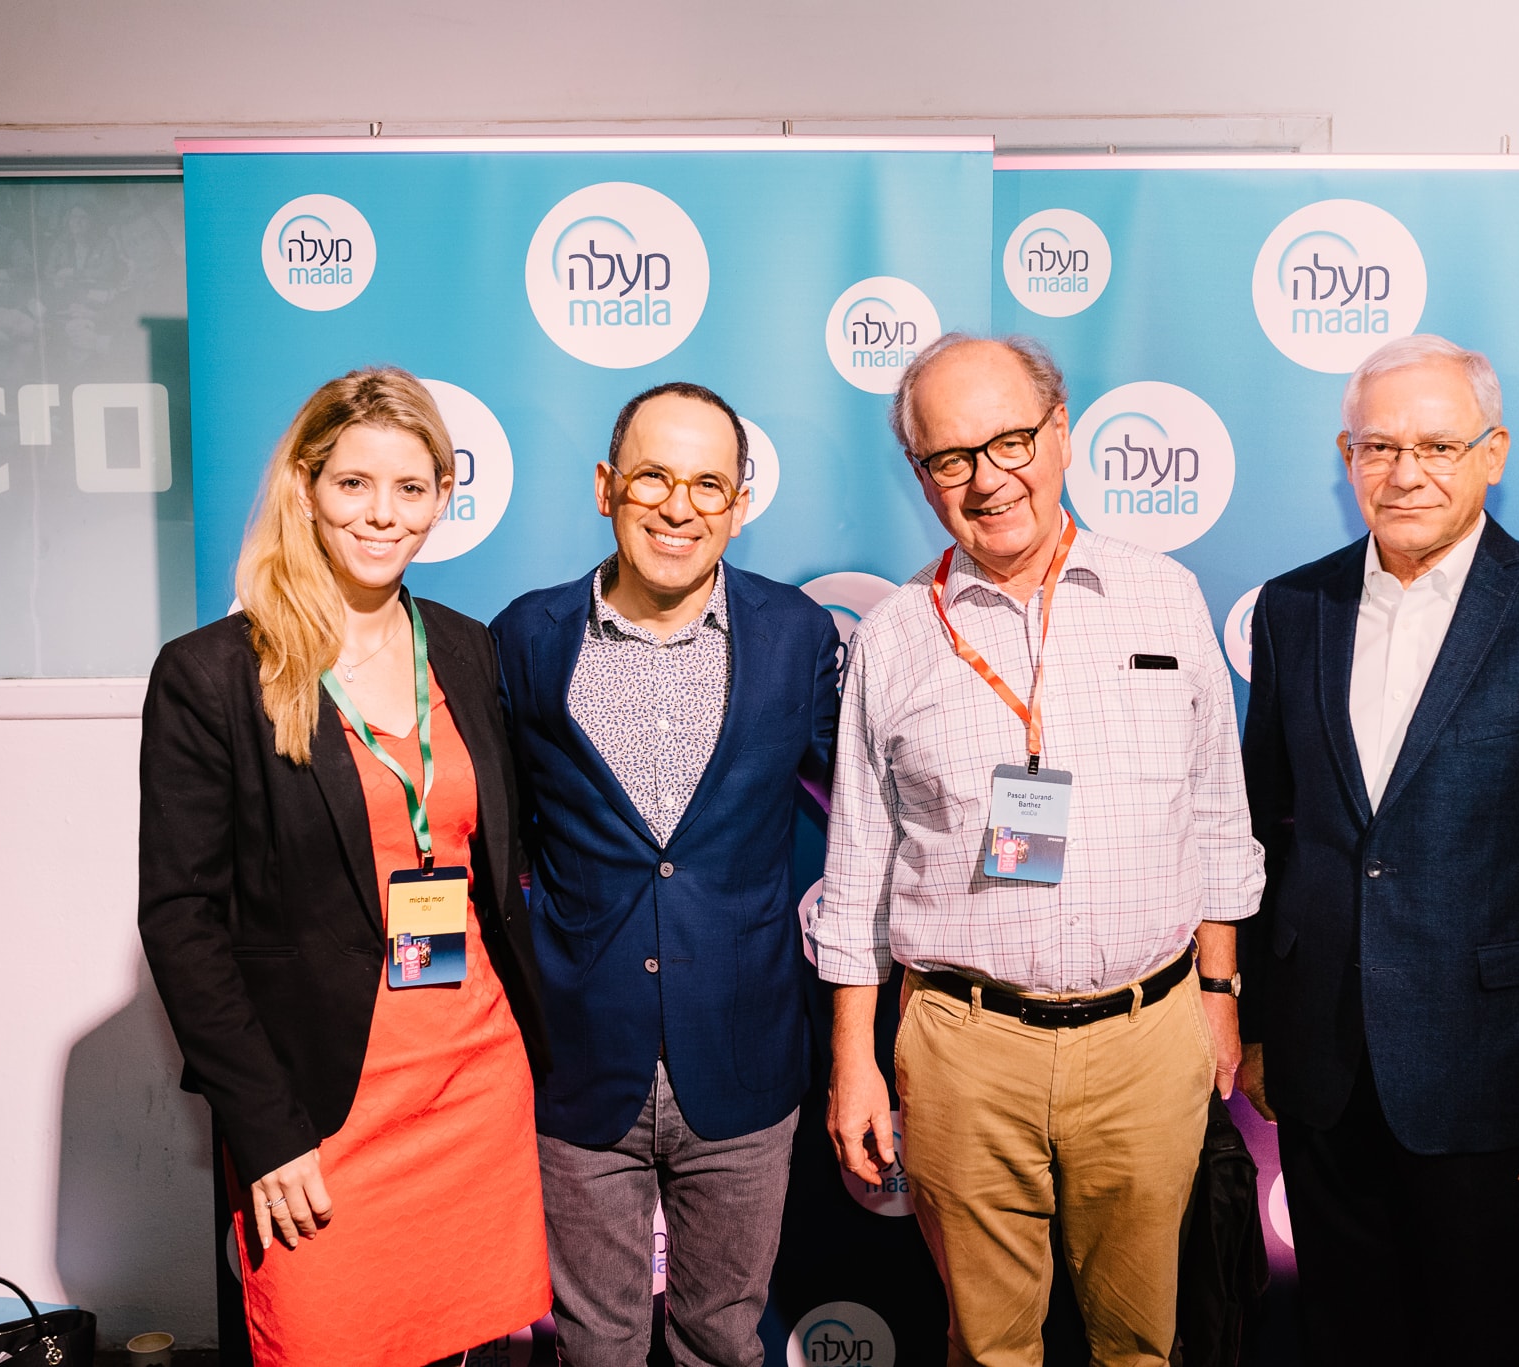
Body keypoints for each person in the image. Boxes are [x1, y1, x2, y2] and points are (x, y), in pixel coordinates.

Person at [817, 335, 1264, 1367]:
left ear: (1060, 433)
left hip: (1147, 1036)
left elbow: (1215, 812)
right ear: (922, 475)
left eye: (1010, 440)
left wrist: (1217, 992)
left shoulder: (1165, 595)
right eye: (950, 457)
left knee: (1142, 1344)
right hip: (962, 1048)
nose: (987, 479)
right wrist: (852, 1060)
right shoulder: (891, 638)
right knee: (987, 1349)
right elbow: (857, 869)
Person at [1237, 334, 1519, 1365]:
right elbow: (1263, 834)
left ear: (1494, 452)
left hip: (1496, 1087)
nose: (1405, 472)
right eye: (1378, 446)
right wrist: (1259, 1027)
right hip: (1322, 1076)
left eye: (1437, 444)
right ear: (1345, 459)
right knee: (1341, 1341)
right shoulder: (1293, 608)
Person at [138, 367, 552, 1367]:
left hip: (475, 1083)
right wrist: (264, 1127)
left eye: (410, 487)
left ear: (442, 497)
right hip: (320, 1110)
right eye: (354, 483)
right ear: (306, 488)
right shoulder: (213, 674)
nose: (382, 514)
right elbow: (181, 920)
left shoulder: (467, 649)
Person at [491, 382, 839, 1367]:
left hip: (745, 1056)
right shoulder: (524, 636)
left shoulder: (798, 635)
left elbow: (868, 807)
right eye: (652, 477)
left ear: (739, 503)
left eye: (706, 484)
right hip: (577, 1063)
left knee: (721, 1338)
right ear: (607, 485)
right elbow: (493, 835)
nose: (677, 507)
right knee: (594, 1345)